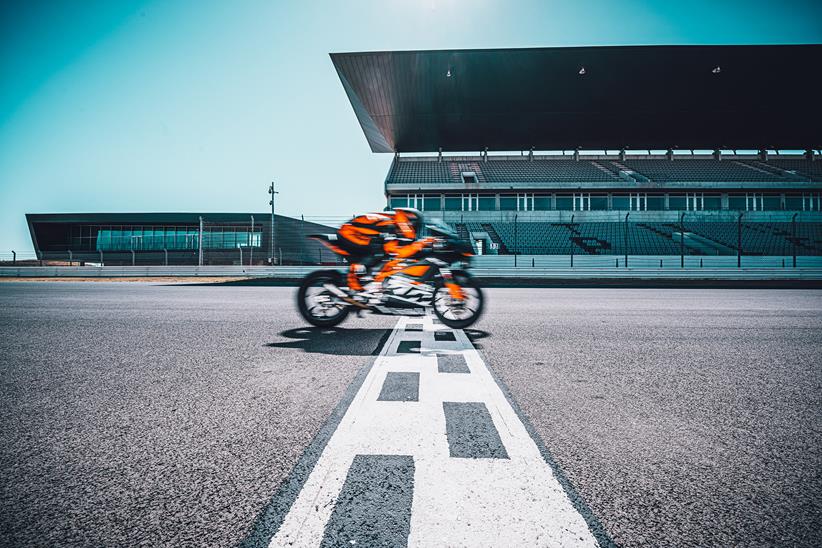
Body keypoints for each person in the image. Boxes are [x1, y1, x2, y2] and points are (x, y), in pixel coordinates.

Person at [336, 208, 431, 293]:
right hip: (349, 233)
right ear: (411, 220)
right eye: (416, 225)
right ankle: (355, 280)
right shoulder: (396, 220)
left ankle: (368, 279)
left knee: (381, 250)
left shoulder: (391, 221)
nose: (416, 229)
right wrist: (420, 244)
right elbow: (396, 248)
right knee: (379, 250)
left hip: (355, 233)